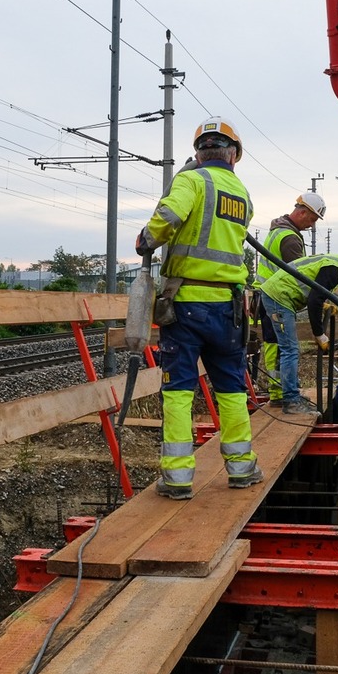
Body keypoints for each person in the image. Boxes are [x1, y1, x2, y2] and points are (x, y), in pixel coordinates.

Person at [135, 116, 262, 500]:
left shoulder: (191, 181)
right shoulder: (241, 193)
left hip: (187, 303)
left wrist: (146, 239)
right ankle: (242, 470)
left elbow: (168, 217)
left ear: (198, 152)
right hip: (228, 306)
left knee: (179, 390)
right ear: (234, 155)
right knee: (232, 387)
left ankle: (176, 479)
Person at [258, 249, 338, 414]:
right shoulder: (336, 269)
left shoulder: (336, 264)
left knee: (288, 349)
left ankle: (290, 395)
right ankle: (291, 401)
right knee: (290, 349)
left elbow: (314, 291)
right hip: (279, 296)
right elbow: (314, 300)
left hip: (278, 294)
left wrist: (321, 303)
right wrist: (319, 334)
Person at [254, 192, 327, 403]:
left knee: (274, 344)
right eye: (312, 219)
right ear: (302, 212)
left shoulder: (280, 231)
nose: (312, 225)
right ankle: (280, 393)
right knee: (281, 346)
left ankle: (280, 391)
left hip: (267, 297)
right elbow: (301, 276)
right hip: (275, 299)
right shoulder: (289, 239)